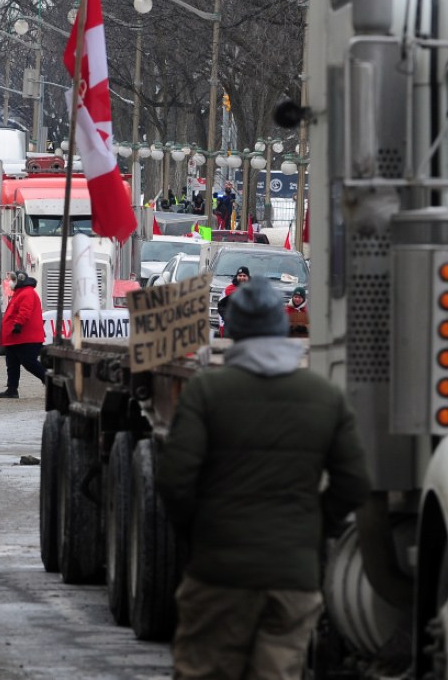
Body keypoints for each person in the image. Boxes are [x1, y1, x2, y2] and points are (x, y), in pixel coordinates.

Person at [157, 277, 371, 679]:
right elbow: (356, 482)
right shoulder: (323, 395)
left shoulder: (207, 392)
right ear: (281, 327)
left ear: (233, 331)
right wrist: (313, 525)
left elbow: (174, 479)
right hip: (293, 575)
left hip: (219, 571)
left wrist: (201, 532)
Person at [0, 272, 49, 399]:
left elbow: (25, 310)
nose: (10, 282)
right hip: (16, 338)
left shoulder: (27, 293)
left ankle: (49, 381)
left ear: (20, 280)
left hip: (25, 337)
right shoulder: (20, 293)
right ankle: (12, 389)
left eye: (13, 279)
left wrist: (18, 325)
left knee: (29, 362)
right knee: (12, 363)